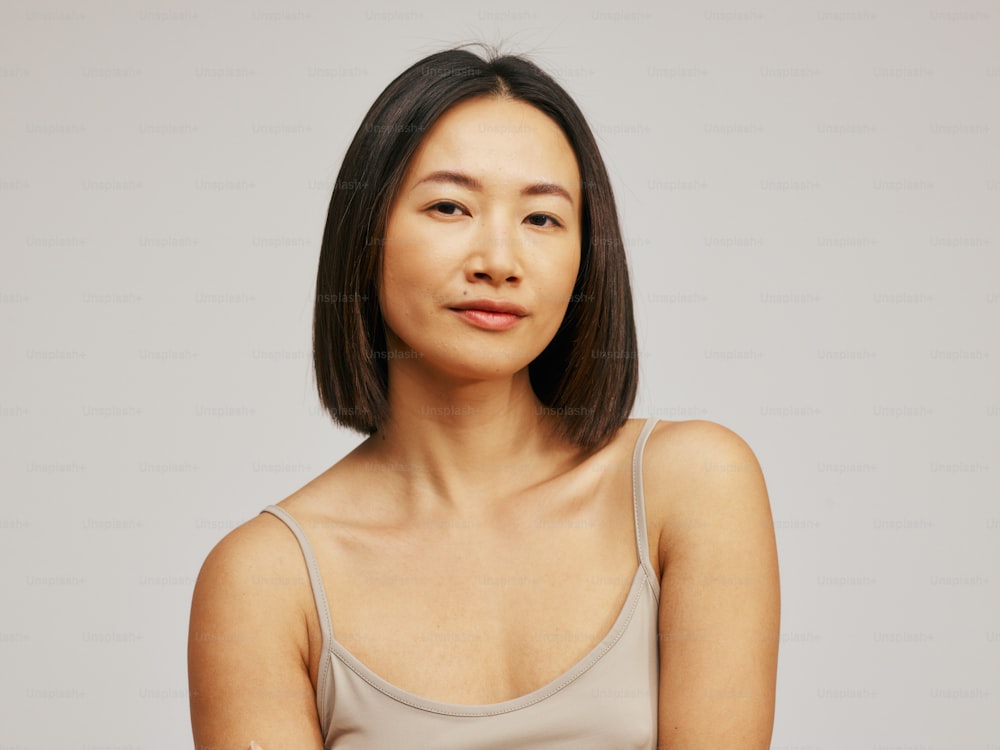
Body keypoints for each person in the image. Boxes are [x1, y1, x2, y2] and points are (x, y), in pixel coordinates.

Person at [187, 44, 780, 749]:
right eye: (449, 206)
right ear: (366, 233)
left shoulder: (693, 486)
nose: (498, 262)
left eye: (542, 219)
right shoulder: (263, 582)